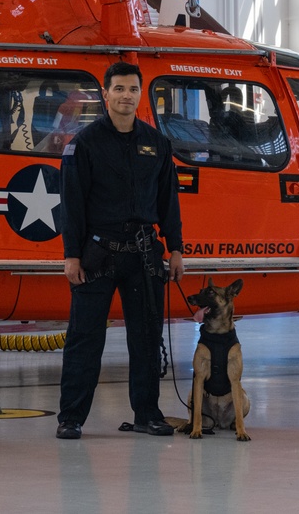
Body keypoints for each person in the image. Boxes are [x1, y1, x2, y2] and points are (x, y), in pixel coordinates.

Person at [56, 61, 185, 440]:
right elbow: (72, 204)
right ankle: (71, 417)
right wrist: (71, 256)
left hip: (144, 255)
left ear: (140, 94)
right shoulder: (84, 144)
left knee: (146, 338)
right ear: (106, 94)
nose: (126, 96)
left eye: (132, 89)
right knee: (85, 338)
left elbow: (169, 202)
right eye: (119, 89)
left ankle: (147, 414)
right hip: (97, 255)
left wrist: (175, 248)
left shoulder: (157, 144)